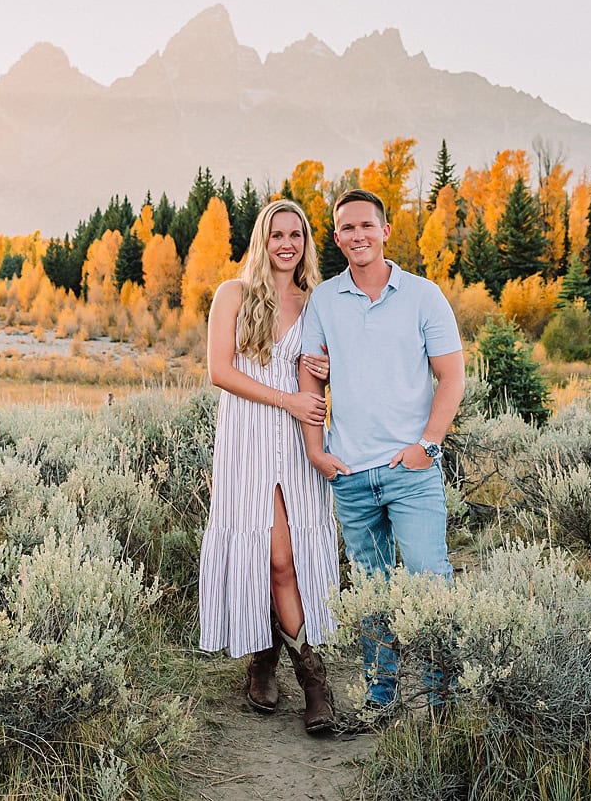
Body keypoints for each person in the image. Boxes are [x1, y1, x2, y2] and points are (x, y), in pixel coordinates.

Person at [298, 188, 464, 715]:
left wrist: (427, 446)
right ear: (337, 236)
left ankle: (441, 698)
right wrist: (317, 452)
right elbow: (310, 373)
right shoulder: (325, 299)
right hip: (350, 473)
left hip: (410, 471)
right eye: (347, 228)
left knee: (427, 578)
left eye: (367, 226)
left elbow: (452, 376)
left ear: (386, 230)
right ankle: (381, 695)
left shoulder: (422, 295)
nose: (358, 236)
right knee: (371, 589)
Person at [198, 199, 340, 734]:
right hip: (246, 441)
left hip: (297, 441)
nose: (287, 244)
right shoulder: (233, 295)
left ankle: (305, 676)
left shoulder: (316, 303)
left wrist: (326, 376)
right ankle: (268, 659)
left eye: (296, 235)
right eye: (277, 234)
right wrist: (288, 400)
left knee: (287, 558)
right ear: (262, 239)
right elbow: (219, 371)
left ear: (305, 242)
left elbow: (315, 381)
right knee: (261, 549)